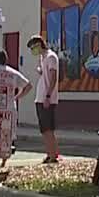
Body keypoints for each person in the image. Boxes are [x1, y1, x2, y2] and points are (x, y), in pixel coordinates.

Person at [28, 34, 62, 163]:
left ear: (38, 45)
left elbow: (53, 77)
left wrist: (48, 96)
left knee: (49, 128)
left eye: (33, 47)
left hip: (47, 98)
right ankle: (49, 153)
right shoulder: (42, 58)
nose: (33, 51)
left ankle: (54, 155)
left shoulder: (51, 57)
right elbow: (46, 74)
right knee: (44, 129)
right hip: (40, 97)